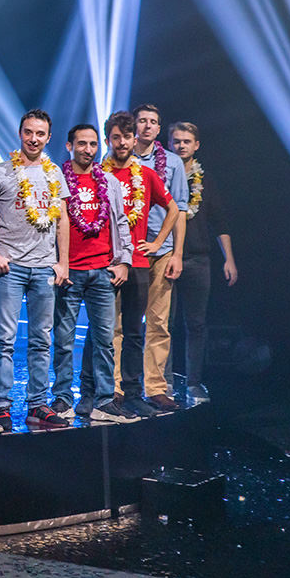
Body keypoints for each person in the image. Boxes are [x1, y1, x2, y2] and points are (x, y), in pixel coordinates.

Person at [0, 109, 70, 432]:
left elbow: (63, 220)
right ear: (20, 133)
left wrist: (63, 262)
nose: (33, 139)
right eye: (28, 132)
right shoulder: (1, 171)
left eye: (40, 134)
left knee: (41, 340)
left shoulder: (54, 173)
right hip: (10, 267)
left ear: (48, 137)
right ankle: (2, 407)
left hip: (44, 267)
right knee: (4, 340)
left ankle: (38, 404)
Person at [54, 123, 137, 425]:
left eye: (92, 144)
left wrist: (124, 261)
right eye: (81, 143)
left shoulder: (109, 181)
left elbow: (121, 222)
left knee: (104, 341)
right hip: (69, 272)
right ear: (69, 146)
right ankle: (62, 398)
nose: (88, 149)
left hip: (103, 271)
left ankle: (104, 401)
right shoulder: (57, 179)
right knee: (64, 340)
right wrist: (57, 263)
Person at [102, 111, 181, 420]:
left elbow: (173, 208)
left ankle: (135, 392)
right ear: (108, 140)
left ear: (134, 140)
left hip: (138, 260)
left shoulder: (146, 174)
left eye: (126, 137)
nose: (122, 143)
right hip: (107, 263)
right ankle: (111, 391)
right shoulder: (99, 174)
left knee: (136, 331)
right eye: (116, 137)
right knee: (109, 329)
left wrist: (159, 243)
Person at [168, 121, 237, 406]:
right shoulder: (160, 175)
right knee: (163, 324)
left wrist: (229, 259)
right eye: (176, 141)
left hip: (198, 259)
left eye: (187, 141)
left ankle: (194, 382)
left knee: (196, 324)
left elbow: (219, 221)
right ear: (169, 144)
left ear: (196, 145)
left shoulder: (206, 181)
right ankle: (164, 382)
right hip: (165, 259)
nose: (181, 145)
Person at [132, 103, 188, 412]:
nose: (147, 126)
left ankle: (155, 388)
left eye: (153, 121)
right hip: (130, 251)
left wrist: (177, 253)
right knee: (123, 324)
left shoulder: (173, 162)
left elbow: (179, 210)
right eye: (142, 120)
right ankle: (118, 388)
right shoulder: (119, 158)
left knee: (158, 322)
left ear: (158, 127)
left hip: (162, 250)